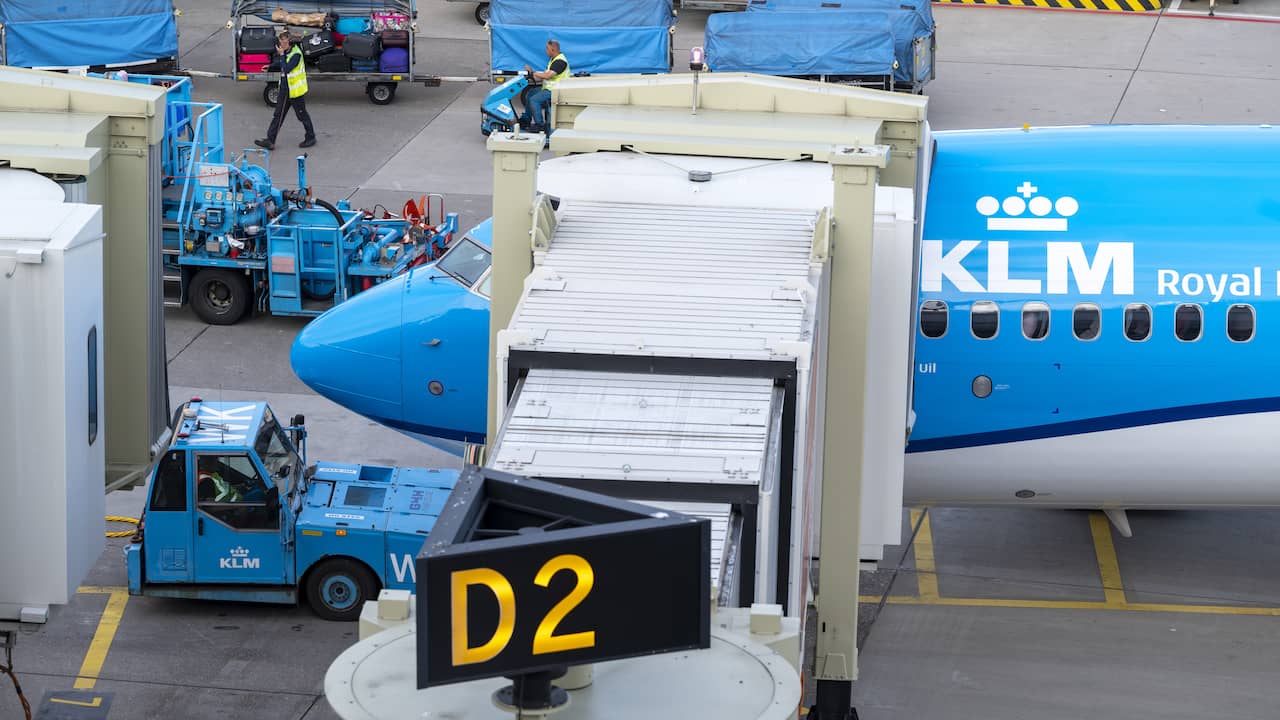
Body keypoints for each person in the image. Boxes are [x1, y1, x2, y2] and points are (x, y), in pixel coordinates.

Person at [256, 32, 316, 150]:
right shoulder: (288, 52)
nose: (280, 44)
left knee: (302, 115)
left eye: (283, 41)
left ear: (289, 42)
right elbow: (281, 63)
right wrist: (271, 66)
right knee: (278, 115)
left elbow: (287, 68)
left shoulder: (296, 54)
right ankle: (270, 140)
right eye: (280, 41)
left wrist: (282, 54)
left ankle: (311, 137)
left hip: (295, 92)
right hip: (285, 90)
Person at [521, 39, 569, 134]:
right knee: (530, 93)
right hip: (549, 88)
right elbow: (545, 77)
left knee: (534, 100)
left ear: (552, 50)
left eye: (547, 49)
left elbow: (547, 76)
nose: (546, 51)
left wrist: (533, 72)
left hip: (556, 90)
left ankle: (540, 125)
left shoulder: (560, 62)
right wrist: (530, 78)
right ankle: (526, 119)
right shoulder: (553, 60)